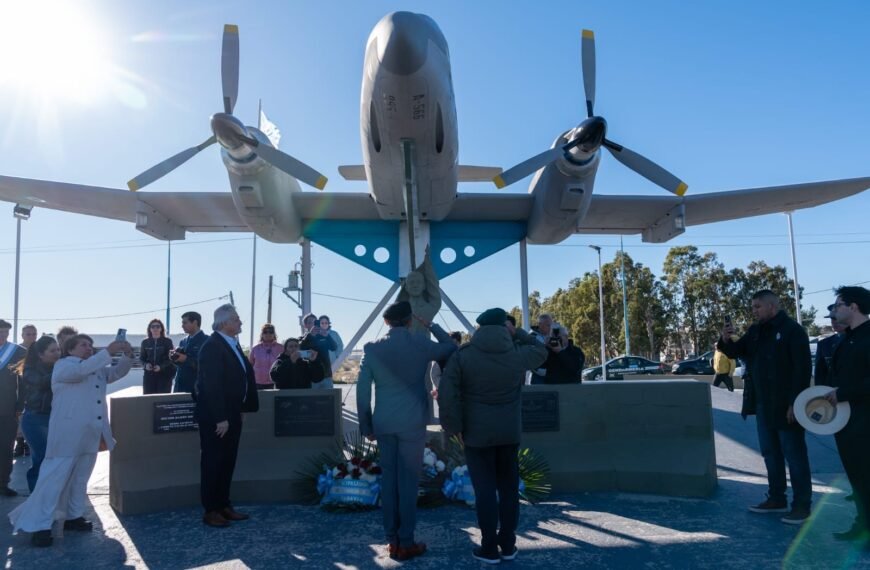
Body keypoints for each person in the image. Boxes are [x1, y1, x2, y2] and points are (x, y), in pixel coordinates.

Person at [438, 308, 547, 564]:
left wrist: (454, 428)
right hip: (509, 434)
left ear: (479, 328)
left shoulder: (464, 355)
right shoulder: (517, 354)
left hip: (476, 435)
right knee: (509, 491)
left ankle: (488, 548)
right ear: (504, 327)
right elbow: (542, 352)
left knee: (485, 491)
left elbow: (447, 393)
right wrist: (519, 332)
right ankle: (508, 545)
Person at [356, 301, 458, 561]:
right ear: (409, 321)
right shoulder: (420, 343)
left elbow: (363, 391)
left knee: (389, 482)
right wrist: (433, 326)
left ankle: (392, 541)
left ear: (387, 322)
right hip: (412, 423)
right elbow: (450, 348)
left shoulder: (372, 349)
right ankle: (407, 541)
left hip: (384, 424)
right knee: (408, 483)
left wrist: (366, 425)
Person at [9, 334, 133, 547]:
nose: (88, 348)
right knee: (53, 479)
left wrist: (128, 356)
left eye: (90, 345)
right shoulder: (64, 366)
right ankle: (40, 525)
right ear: (70, 350)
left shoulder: (93, 365)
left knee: (80, 478)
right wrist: (108, 351)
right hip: (67, 435)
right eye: (83, 345)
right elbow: (79, 372)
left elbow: (114, 373)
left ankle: (73, 515)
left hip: (90, 434)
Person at [718, 289, 812, 525]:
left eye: (758, 306)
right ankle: (776, 498)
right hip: (763, 405)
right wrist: (726, 339)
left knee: (795, 456)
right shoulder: (755, 331)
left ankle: (801, 505)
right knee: (770, 454)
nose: (754, 311)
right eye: (753, 307)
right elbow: (735, 351)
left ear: (772, 306)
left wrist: (795, 403)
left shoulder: (793, 331)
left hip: (787, 406)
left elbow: (802, 371)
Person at [193, 304, 259, 528]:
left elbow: (241, 378)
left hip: (232, 414)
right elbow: (210, 385)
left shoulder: (232, 344)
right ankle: (211, 510)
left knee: (227, 461)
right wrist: (220, 417)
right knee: (213, 462)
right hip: (216, 417)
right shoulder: (212, 346)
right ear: (224, 323)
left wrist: (241, 410)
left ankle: (224, 505)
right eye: (236, 319)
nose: (240, 322)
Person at [822, 286, 870, 547]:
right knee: (858, 480)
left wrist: (844, 392)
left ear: (853, 307)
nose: (834, 310)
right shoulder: (845, 340)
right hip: (846, 424)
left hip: (866, 422)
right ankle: (862, 527)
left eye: (838, 304)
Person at [15, 336, 60, 493]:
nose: (57, 353)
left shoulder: (60, 367)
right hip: (36, 419)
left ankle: (49, 496)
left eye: (58, 349)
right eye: (52, 351)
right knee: (41, 458)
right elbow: (41, 382)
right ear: (41, 354)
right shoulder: (30, 369)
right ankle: (35, 496)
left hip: (55, 418)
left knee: (55, 459)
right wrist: (60, 370)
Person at [0, 320, 26, 496]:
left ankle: (2, 483)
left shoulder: (17, 352)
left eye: (5, 333)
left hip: (7, 407)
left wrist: (20, 404)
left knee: (5, 448)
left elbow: (23, 382)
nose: (2, 336)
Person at [396, 248, 441, 336]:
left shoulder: (432, 307)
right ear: (406, 288)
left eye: (418, 282)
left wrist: (427, 262)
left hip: (425, 348)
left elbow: (433, 284)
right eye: (411, 282)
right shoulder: (400, 309)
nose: (415, 285)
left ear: (424, 286)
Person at [14, 325, 37, 457]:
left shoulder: (39, 350)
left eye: (34, 334)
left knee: (32, 416)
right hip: (19, 386)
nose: (32, 337)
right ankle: (19, 443)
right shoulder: (17, 350)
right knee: (19, 416)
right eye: (28, 334)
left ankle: (29, 444)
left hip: (34, 387)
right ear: (22, 335)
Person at [172, 311, 208, 394]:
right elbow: (180, 363)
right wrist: (174, 358)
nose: (182, 326)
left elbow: (207, 366)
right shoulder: (183, 341)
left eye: (185, 323)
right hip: (180, 386)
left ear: (195, 322)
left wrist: (186, 359)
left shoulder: (206, 341)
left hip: (196, 389)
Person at [301, 316, 337, 390]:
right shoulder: (304, 338)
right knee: (312, 400)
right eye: (310, 322)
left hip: (326, 375)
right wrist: (310, 335)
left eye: (315, 322)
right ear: (305, 325)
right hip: (311, 376)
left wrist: (327, 336)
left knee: (328, 399)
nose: (313, 325)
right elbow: (301, 349)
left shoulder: (324, 336)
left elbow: (334, 347)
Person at [140, 319, 175, 394]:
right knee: (148, 399)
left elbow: (171, 359)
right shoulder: (145, 342)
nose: (155, 328)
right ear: (150, 329)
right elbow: (141, 358)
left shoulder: (167, 341)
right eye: (153, 326)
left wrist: (161, 366)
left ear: (161, 328)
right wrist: (146, 365)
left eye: (158, 326)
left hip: (164, 376)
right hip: (149, 376)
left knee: (162, 400)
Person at [814, 304, 845, 385]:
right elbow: (820, 375)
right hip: (830, 394)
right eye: (831, 318)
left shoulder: (862, 340)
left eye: (835, 318)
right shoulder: (824, 344)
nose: (833, 321)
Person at [249, 324, 281, 390]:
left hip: (275, 382)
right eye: (265, 332)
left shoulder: (281, 348)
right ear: (262, 334)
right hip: (257, 383)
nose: (268, 334)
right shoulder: (255, 349)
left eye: (271, 332)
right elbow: (250, 366)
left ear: (274, 334)